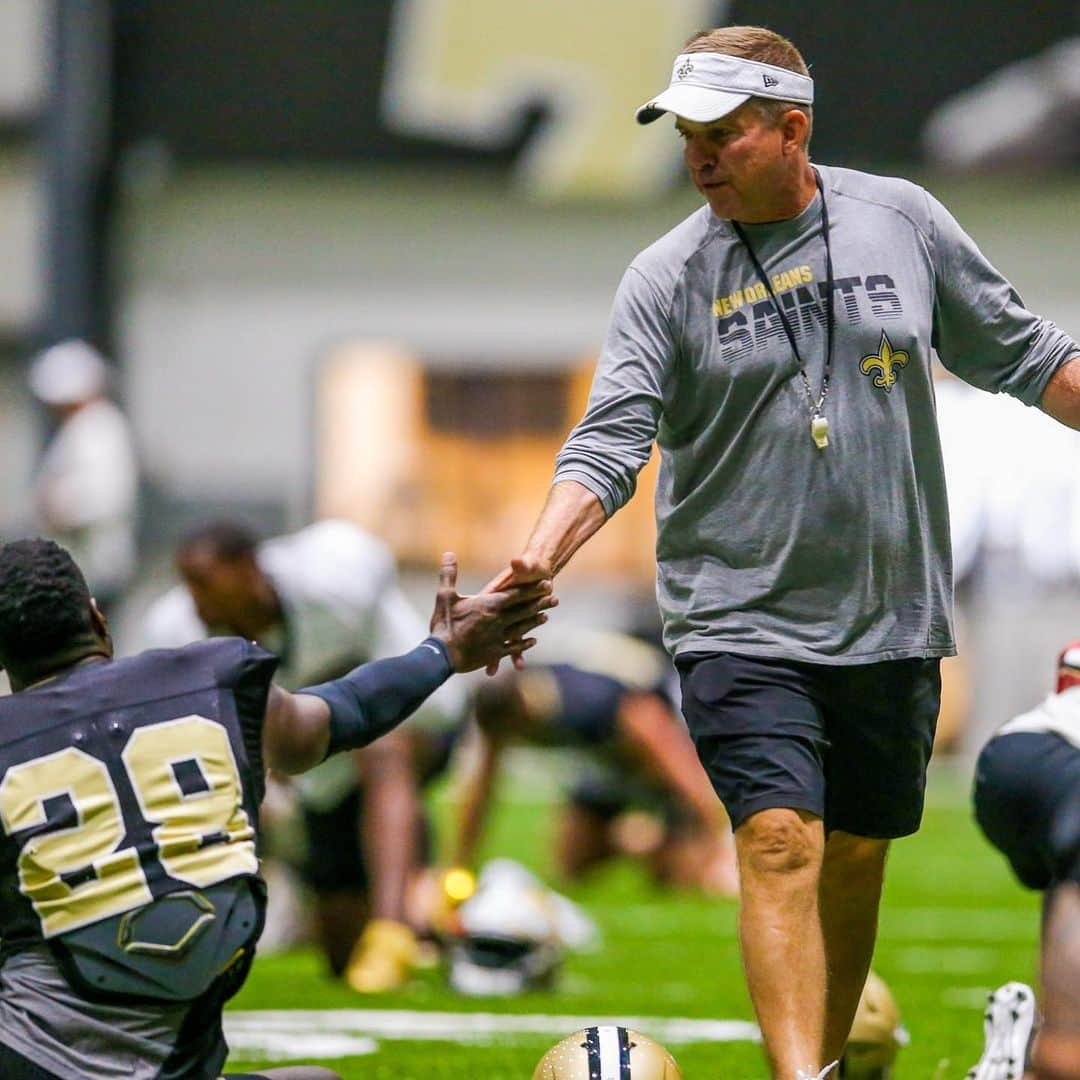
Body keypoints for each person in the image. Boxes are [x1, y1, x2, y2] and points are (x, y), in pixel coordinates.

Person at [484, 25, 1080, 1080]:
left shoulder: (900, 220)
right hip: (738, 616)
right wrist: (540, 555)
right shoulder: (665, 276)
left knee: (853, 855)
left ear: (789, 127)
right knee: (779, 842)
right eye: (686, 137)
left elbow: (1028, 355)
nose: (697, 156)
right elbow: (611, 435)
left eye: (721, 133)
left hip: (890, 614)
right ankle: (800, 1076)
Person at [0, 537, 552, 1079]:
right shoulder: (217, 681)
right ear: (98, 620)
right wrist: (445, 650)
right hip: (156, 1052)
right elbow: (348, 710)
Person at [140, 518, 466, 991]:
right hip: (317, 760)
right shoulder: (176, 628)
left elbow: (374, 679)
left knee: (384, 751)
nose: (197, 600)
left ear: (250, 570)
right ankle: (430, 916)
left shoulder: (332, 584)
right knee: (340, 950)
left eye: (207, 583)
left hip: (411, 716)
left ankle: (393, 928)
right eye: (188, 584)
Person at [450, 628, 736, 895]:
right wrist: (459, 866)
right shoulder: (504, 705)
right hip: (607, 767)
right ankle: (635, 837)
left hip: (657, 760)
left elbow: (672, 757)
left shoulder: (591, 701)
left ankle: (646, 837)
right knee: (572, 866)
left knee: (683, 877)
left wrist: (714, 837)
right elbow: (482, 792)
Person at [971, 642, 1080, 1080]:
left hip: (1010, 758)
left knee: (1067, 880)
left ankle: (1037, 1044)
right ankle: (1057, 1054)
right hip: (1057, 760)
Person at [28, 339, 138, 614]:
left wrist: (60, 510)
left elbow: (105, 497)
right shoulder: (82, 428)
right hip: (76, 567)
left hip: (93, 565)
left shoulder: (100, 428)